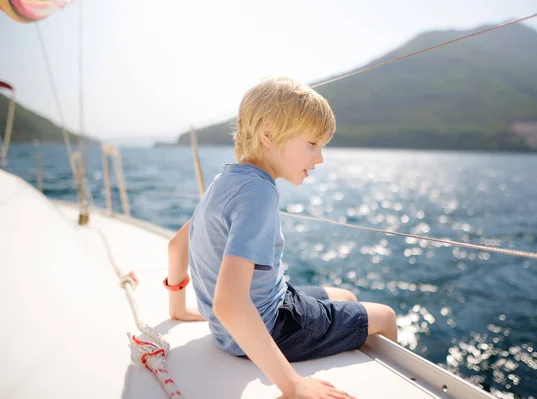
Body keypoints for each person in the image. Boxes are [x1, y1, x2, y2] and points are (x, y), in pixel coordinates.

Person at [165, 76, 398, 398]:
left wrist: (177, 308)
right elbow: (230, 302)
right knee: (385, 316)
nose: (320, 158)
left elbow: (176, 246)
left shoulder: (225, 181)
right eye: (312, 144)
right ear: (269, 135)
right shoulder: (259, 193)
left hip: (261, 310)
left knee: (345, 296)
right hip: (273, 327)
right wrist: (293, 385)